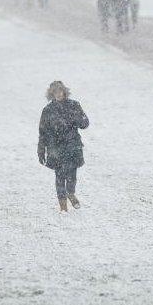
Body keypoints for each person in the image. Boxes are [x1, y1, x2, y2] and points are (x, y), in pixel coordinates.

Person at [37, 81, 90, 212]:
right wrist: (41, 150)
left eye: (60, 91)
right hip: (55, 147)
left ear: (64, 91)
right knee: (59, 176)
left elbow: (85, 123)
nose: (58, 94)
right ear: (51, 94)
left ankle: (70, 193)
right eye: (55, 92)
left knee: (72, 173)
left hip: (72, 146)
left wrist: (76, 118)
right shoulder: (48, 110)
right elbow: (42, 131)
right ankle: (63, 206)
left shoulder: (74, 105)